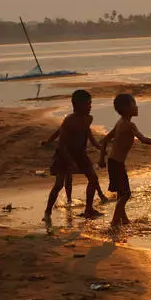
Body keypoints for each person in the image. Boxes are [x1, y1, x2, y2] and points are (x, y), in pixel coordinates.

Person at [99, 94, 151, 227]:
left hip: (113, 161)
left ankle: (124, 219)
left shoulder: (120, 122)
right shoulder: (129, 125)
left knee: (121, 192)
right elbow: (144, 140)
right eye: (133, 104)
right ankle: (115, 222)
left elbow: (105, 139)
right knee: (126, 194)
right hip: (117, 163)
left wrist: (101, 159)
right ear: (125, 108)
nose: (137, 107)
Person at [44, 90, 103, 221]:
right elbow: (62, 144)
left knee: (93, 179)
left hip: (80, 154)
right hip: (65, 154)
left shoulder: (89, 118)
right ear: (76, 105)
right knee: (59, 185)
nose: (90, 107)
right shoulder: (69, 120)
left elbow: (87, 133)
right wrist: (70, 161)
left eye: (90, 104)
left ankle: (88, 209)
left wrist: (99, 146)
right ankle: (47, 212)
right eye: (87, 104)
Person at [42, 126, 109, 204]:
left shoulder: (84, 127)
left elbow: (94, 142)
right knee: (65, 180)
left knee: (91, 177)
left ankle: (100, 196)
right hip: (66, 155)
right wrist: (48, 141)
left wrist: (101, 149)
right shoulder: (69, 125)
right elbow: (57, 134)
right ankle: (68, 200)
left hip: (78, 155)